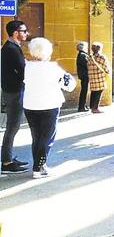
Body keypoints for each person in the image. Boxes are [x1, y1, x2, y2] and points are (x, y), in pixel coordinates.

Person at [23, 37, 76, 178]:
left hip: (30, 105)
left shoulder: (26, 66)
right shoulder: (53, 68)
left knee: (37, 136)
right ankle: (38, 167)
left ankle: (40, 165)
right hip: (49, 105)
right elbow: (70, 85)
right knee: (47, 137)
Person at [1, 20, 29, 175]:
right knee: (13, 126)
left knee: (13, 126)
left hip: (13, 90)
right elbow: (23, 70)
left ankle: (8, 158)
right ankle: (6, 162)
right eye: (24, 31)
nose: (26, 33)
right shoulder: (11, 48)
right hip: (14, 92)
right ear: (15, 32)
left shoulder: (12, 47)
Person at [87, 42, 110, 114]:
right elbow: (106, 67)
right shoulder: (101, 57)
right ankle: (95, 108)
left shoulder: (89, 57)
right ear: (99, 48)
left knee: (93, 92)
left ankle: (92, 107)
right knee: (99, 93)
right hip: (99, 78)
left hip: (92, 78)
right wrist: (108, 73)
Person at [75, 42, 90, 112]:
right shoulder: (83, 55)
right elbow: (87, 65)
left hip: (83, 75)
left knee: (84, 91)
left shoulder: (81, 54)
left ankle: (83, 105)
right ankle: (82, 107)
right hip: (85, 75)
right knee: (84, 91)